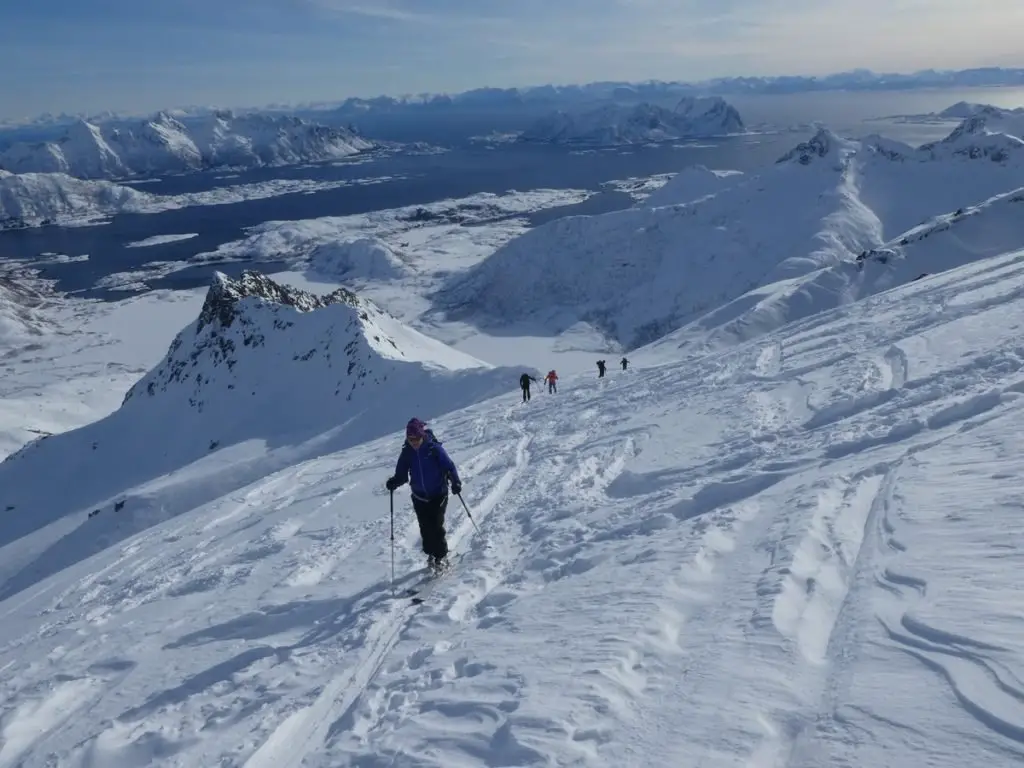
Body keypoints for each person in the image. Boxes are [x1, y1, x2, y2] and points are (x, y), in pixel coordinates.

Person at [385, 418, 462, 573]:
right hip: (419, 497)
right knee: (425, 528)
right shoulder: (407, 452)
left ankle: (441, 556)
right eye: (410, 439)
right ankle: (430, 555)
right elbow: (401, 474)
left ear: (422, 435)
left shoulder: (434, 449)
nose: (413, 442)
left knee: (436, 526)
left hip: (438, 494)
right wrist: (394, 482)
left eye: (416, 438)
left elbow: (449, 466)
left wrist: (455, 482)